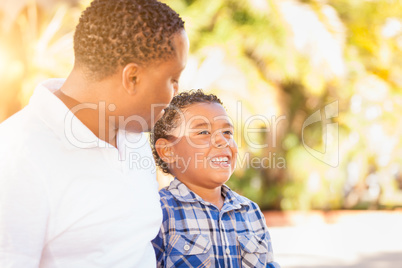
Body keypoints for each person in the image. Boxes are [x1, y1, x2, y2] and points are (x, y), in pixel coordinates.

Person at [0, 0, 189, 267]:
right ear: (132, 78)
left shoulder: (132, 136)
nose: (177, 91)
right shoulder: (14, 158)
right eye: (173, 78)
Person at [151, 90, 280, 268]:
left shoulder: (251, 211)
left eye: (227, 132)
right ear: (168, 151)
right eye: (204, 132)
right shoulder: (158, 212)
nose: (222, 141)